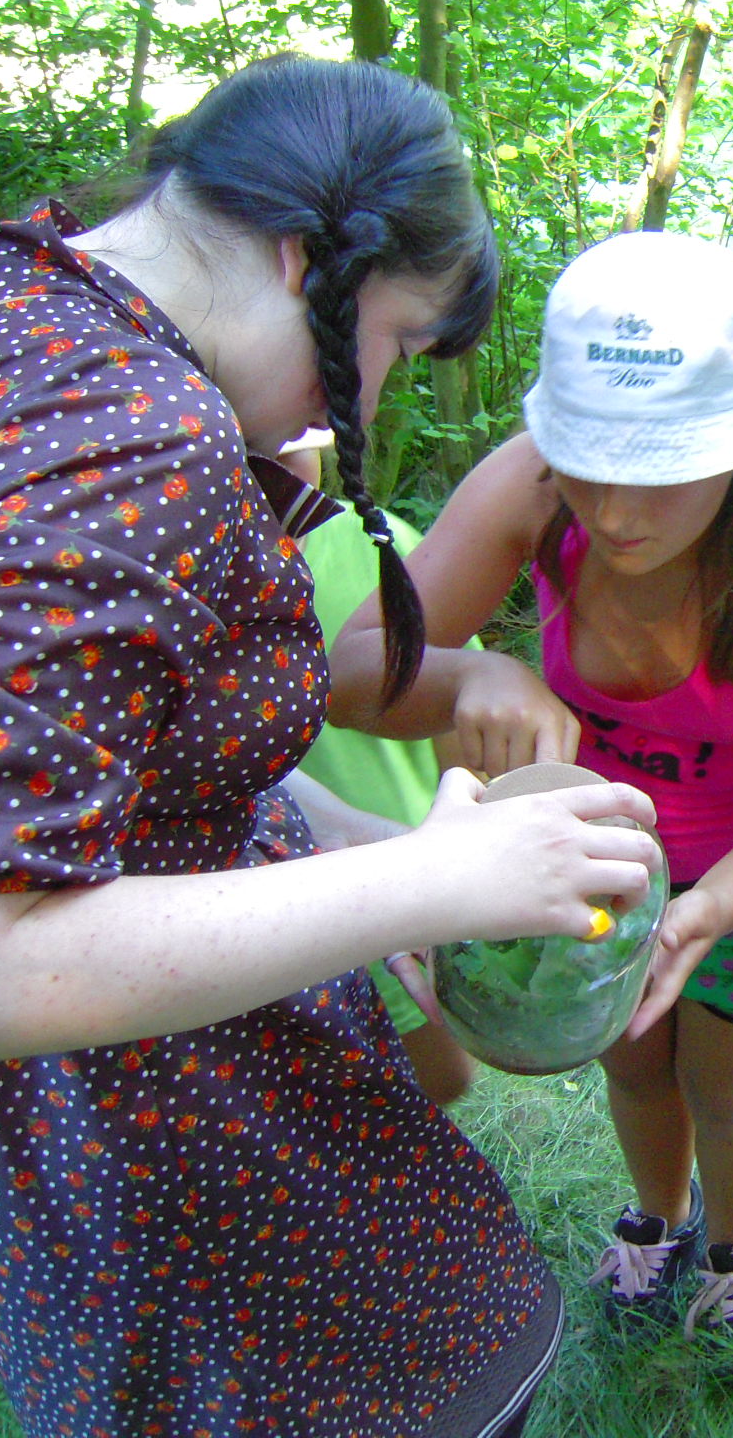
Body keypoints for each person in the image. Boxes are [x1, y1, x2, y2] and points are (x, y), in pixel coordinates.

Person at [0, 55, 663, 1438]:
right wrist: (425, 884)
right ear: (303, 260)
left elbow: (114, 746)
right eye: (393, 341)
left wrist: (374, 852)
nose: (356, 409)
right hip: (161, 1117)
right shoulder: (126, 440)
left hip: (42, 1128)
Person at [328, 229, 733, 1334]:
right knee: (632, 1072)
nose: (617, 514)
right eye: (589, 464)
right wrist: (472, 672)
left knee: (730, 1092)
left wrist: (705, 912)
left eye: (661, 475)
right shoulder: (531, 488)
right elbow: (346, 677)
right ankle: (656, 1217)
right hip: (597, 867)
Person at [280, 436, 478, 1106]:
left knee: (440, 1076)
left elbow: (453, 711)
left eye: (293, 447)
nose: (274, 469)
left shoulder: (378, 543)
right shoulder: (177, 581)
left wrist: (474, 828)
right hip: (274, 905)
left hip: (409, 882)